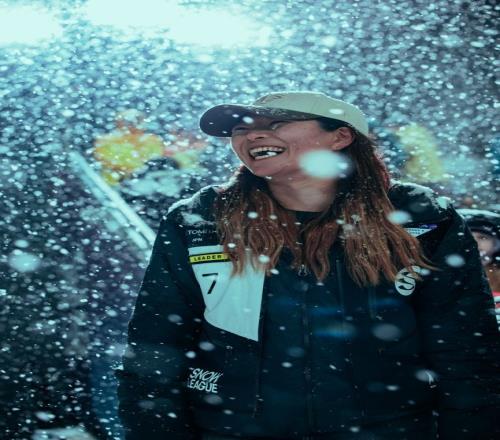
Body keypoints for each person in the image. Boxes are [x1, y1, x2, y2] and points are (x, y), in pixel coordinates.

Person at [116, 91, 500, 440]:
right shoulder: (200, 220)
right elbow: (155, 343)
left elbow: (465, 348)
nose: (252, 135)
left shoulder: (422, 218)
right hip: (232, 429)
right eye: (240, 129)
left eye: (276, 123)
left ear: (341, 136)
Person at [458, 208, 500, 330]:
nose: (475, 243)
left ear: (496, 244)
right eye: (469, 235)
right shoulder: (444, 274)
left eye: (483, 238)